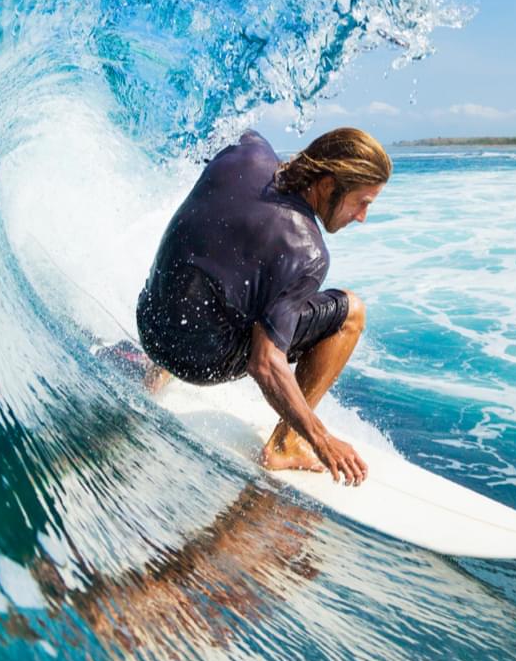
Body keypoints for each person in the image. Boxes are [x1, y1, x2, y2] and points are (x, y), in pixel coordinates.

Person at [136, 127, 391, 485]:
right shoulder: (308, 251)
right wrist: (323, 439)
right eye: (362, 201)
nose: (363, 216)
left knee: (227, 260)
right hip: (198, 362)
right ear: (329, 185)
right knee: (352, 311)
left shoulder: (248, 149)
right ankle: (286, 444)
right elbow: (265, 362)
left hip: (150, 324)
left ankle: (153, 372)